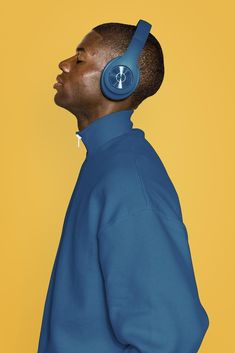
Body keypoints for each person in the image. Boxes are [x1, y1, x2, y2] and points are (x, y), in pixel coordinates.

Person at [37, 21, 209, 353]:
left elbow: (168, 338)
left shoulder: (129, 181)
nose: (64, 64)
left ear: (120, 78)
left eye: (80, 58)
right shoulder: (106, 163)